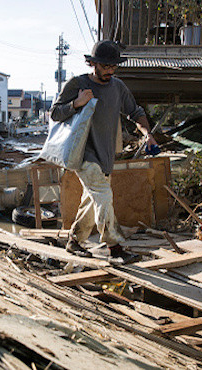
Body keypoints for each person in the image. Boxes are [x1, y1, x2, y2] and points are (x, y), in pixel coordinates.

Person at [50, 40, 157, 264]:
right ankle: (115, 247)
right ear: (93, 64)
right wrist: (77, 103)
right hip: (82, 155)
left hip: (106, 155)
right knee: (104, 197)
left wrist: (147, 134)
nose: (109, 71)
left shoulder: (118, 87)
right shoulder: (77, 84)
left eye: (113, 67)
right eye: (105, 66)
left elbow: (135, 112)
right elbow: (55, 114)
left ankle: (75, 241)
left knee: (93, 200)